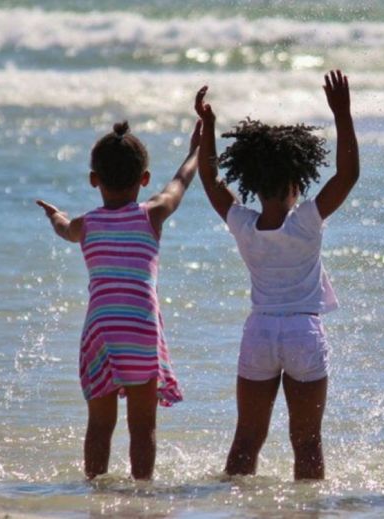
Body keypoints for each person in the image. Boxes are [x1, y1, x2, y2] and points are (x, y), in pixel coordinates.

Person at [194, 69, 359, 480]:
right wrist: (342, 113)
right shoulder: (306, 221)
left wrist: (210, 127)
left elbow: (210, 179)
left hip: (260, 333)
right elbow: (347, 175)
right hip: (303, 332)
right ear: (295, 181)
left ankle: (233, 506)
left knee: (247, 439)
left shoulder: (243, 225)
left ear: (251, 181)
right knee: (307, 443)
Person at [36, 120, 200, 480]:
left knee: (99, 425)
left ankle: (95, 490)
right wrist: (195, 152)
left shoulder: (87, 224)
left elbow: (65, 230)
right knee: (143, 427)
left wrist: (55, 215)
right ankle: (142, 494)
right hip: (140, 330)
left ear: (94, 179)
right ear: (144, 179)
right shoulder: (151, 214)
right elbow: (180, 184)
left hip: (100, 333)